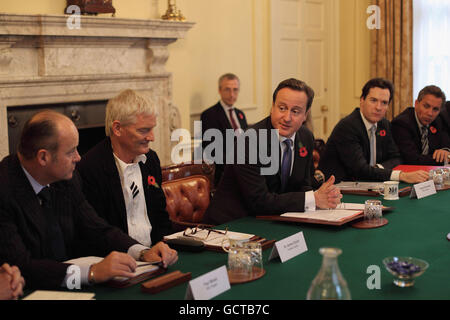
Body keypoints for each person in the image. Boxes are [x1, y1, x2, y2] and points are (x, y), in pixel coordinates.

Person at [0, 110, 177, 289]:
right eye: (71, 152)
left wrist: (142, 252)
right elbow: (22, 266)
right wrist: (90, 273)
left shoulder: (67, 179)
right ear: (43, 157)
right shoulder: (4, 190)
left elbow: (96, 227)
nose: (78, 157)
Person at [202, 78, 342, 225]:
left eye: (295, 111)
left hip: (273, 218)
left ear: (305, 115)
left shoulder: (306, 137)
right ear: (272, 107)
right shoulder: (250, 140)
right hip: (230, 225)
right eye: (282, 108)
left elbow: (302, 185)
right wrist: (313, 199)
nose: (287, 118)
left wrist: (324, 195)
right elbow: (259, 201)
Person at [77, 89, 172, 247]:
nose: (152, 137)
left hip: (156, 252)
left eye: (152, 128)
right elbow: (96, 231)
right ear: (117, 128)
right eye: (144, 130)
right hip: (117, 259)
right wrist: (139, 253)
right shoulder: (90, 168)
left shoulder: (151, 160)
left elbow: (160, 215)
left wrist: (165, 247)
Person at [318, 78, 429, 183]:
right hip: (339, 187)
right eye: (373, 100)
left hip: (369, 183)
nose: (378, 107)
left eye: (384, 103)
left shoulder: (384, 124)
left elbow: (397, 157)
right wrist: (401, 175)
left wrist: (377, 168)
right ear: (362, 100)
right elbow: (360, 171)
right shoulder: (348, 127)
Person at [201, 73, 248, 187]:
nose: (232, 94)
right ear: (219, 90)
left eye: (235, 90)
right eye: (227, 89)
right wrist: (236, 166)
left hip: (246, 167)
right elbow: (212, 149)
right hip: (225, 172)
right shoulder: (209, 115)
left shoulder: (240, 114)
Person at [391, 85, 450, 165]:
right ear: (416, 104)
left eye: (435, 109)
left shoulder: (438, 121)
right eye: (426, 106)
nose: (430, 113)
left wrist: (445, 151)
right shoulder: (401, 123)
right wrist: (445, 159)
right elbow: (413, 159)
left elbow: (445, 144)